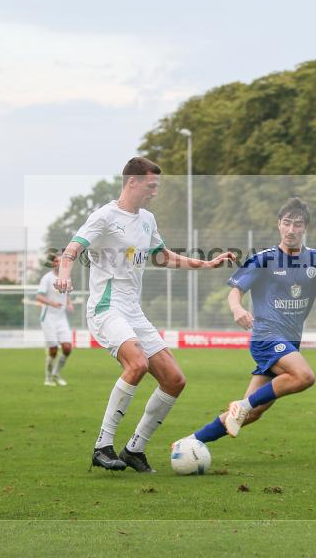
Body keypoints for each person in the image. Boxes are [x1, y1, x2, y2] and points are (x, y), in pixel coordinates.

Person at [54, 157, 235, 473]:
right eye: (151, 185)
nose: (155, 191)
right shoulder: (105, 216)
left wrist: (203, 264)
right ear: (132, 182)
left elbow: (162, 257)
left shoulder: (148, 219)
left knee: (175, 380)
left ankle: (134, 449)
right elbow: (73, 247)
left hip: (133, 311)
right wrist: (65, 273)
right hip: (106, 308)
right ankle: (102, 446)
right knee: (136, 364)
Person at [180, 197, 316, 448]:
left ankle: (191, 442)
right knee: (304, 376)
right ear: (279, 225)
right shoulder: (263, 259)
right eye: (287, 223)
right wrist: (236, 308)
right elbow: (234, 291)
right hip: (266, 336)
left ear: (305, 227)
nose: (291, 229)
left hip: (289, 343)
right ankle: (242, 405)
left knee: (252, 413)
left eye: (297, 224)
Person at [36, 252, 74, 386]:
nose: (60, 264)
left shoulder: (67, 278)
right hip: (48, 318)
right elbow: (39, 297)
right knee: (53, 350)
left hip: (61, 318)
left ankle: (56, 374)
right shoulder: (47, 278)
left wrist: (69, 303)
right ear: (53, 264)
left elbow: (66, 295)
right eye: (57, 261)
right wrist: (52, 303)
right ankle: (48, 378)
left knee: (68, 348)